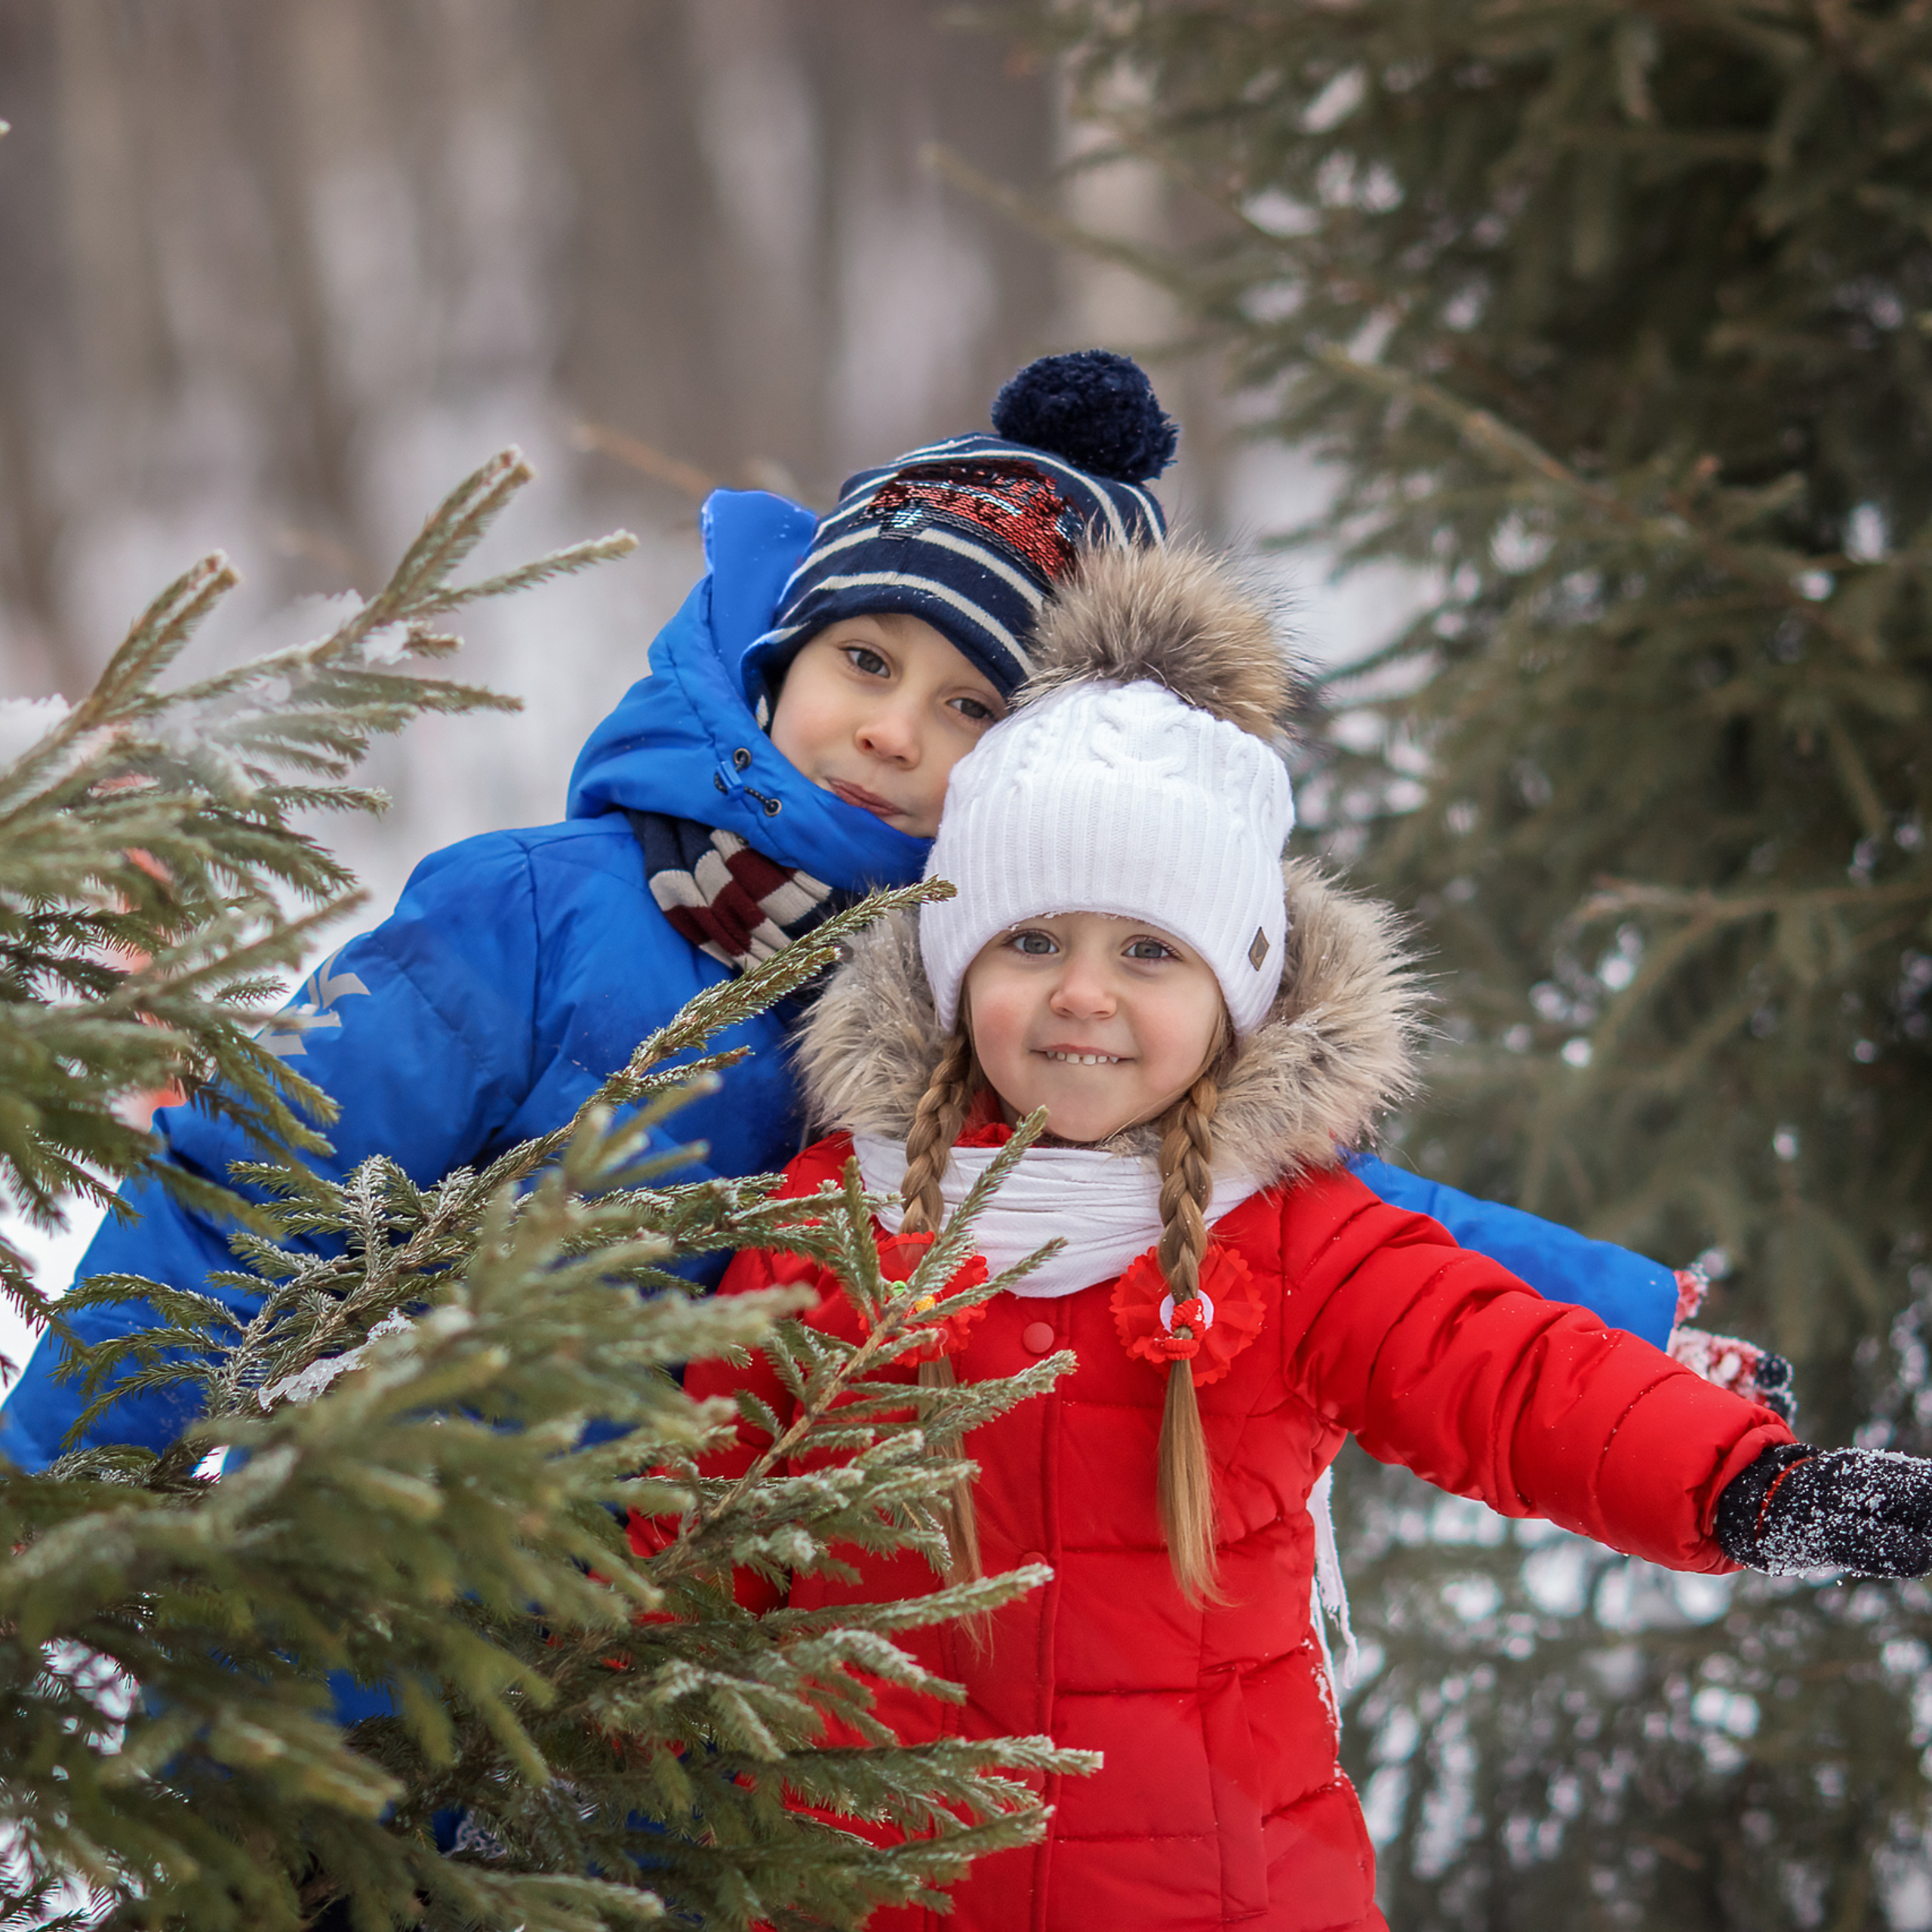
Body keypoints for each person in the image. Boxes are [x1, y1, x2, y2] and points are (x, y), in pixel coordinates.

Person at [0, 350, 1756, 1474]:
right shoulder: (539, 912)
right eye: (864, 657)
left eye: (972, 706)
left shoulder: (988, 1009)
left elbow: (1307, 1206)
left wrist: (1623, 1316)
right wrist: (53, 1506)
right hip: (396, 1616)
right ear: (783, 652)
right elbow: (251, 1183)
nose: (894, 726)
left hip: (714, 1721)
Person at [663, 539, 1932, 1932]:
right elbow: (698, 1526)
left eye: (1149, 952)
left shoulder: (1294, 1239)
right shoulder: (833, 1222)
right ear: (957, 975)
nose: (1082, 994)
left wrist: (1751, 1490)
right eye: (1031, 944)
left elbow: (1510, 1372)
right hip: (864, 1894)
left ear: (1239, 989)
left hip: (1227, 1897)